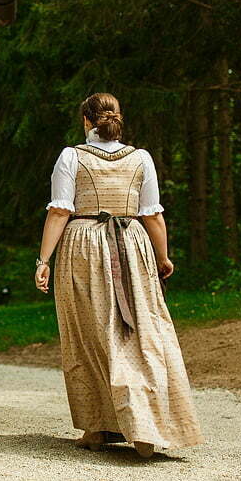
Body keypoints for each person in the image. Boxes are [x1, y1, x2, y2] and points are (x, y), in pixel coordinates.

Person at [35, 93, 202, 458]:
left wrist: (43, 260)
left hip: (84, 245)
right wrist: (163, 256)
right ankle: (144, 430)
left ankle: (98, 427)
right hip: (132, 244)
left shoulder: (71, 156)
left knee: (89, 334)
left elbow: (60, 212)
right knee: (141, 331)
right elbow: (153, 215)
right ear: (117, 119)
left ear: (85, 121)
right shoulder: (141, 158)